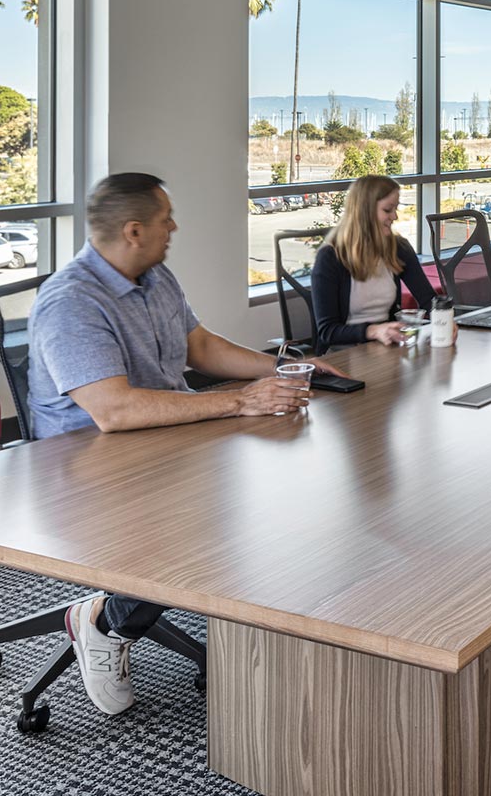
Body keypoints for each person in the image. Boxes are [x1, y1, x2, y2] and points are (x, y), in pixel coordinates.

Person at [25, 172, 343, 717]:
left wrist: (289, 366)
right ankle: (102, 622)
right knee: (209, 525)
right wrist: (241, 402)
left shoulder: (155, 277)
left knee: (274, 491)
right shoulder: (72, 303)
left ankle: (280, 635)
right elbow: (115, 410)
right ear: (132, 230)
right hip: (89, 468)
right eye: (164, 219)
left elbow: (199, 346)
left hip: (166, 436)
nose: (174, 227)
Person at [310, 174, 435, 348]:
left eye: (395, 209)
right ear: (365, 211)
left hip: (388, 347)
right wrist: (374, 331)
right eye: (388, 210)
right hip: (344, 352)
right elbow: (327, 331)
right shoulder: (331, 257)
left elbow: (428, 299)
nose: (395, 216)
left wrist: (443, 319)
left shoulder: (399, 247)